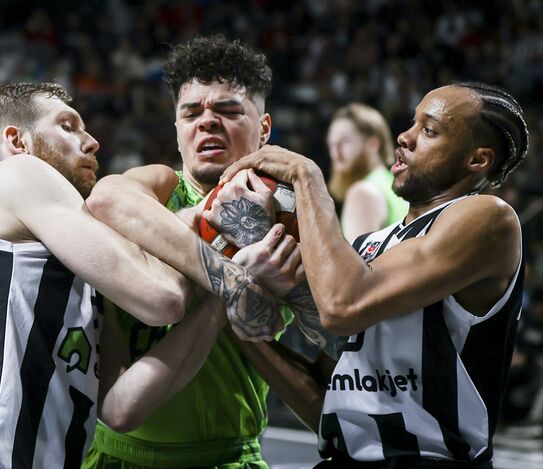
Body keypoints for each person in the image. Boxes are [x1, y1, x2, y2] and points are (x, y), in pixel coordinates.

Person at [0, 82, 276, 468]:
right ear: (18, 142)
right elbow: (163, 297)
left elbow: (120, 409)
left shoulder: (72, 262)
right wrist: (221, 231)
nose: (92, 141)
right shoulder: (18, 174)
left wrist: (219, 299)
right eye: (68, 126)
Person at [215, 82, 529, 468]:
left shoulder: (489, 218)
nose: (405, 136)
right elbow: (338, 399)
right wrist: (226, 301)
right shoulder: (370, 244)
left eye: (429, 130)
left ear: (477, 160)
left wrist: (307, 176)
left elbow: (343, 306)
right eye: (412, 123)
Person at [84, 35, 337, 469]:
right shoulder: (157, 188)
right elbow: (106, 197)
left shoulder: (296, 224)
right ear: (177, 130)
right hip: (119, 455)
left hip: (230, 456)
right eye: (191, 113)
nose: (207, 121)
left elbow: (328, 391)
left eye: (228, 110)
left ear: (265, 129)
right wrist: (223, 239)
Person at [326, 103, 408, 243]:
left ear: (373, 144)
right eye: (332, 144)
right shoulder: (396, 183)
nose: (336, 153)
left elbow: (356, 264)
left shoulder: (363, 192)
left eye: (344, 142)